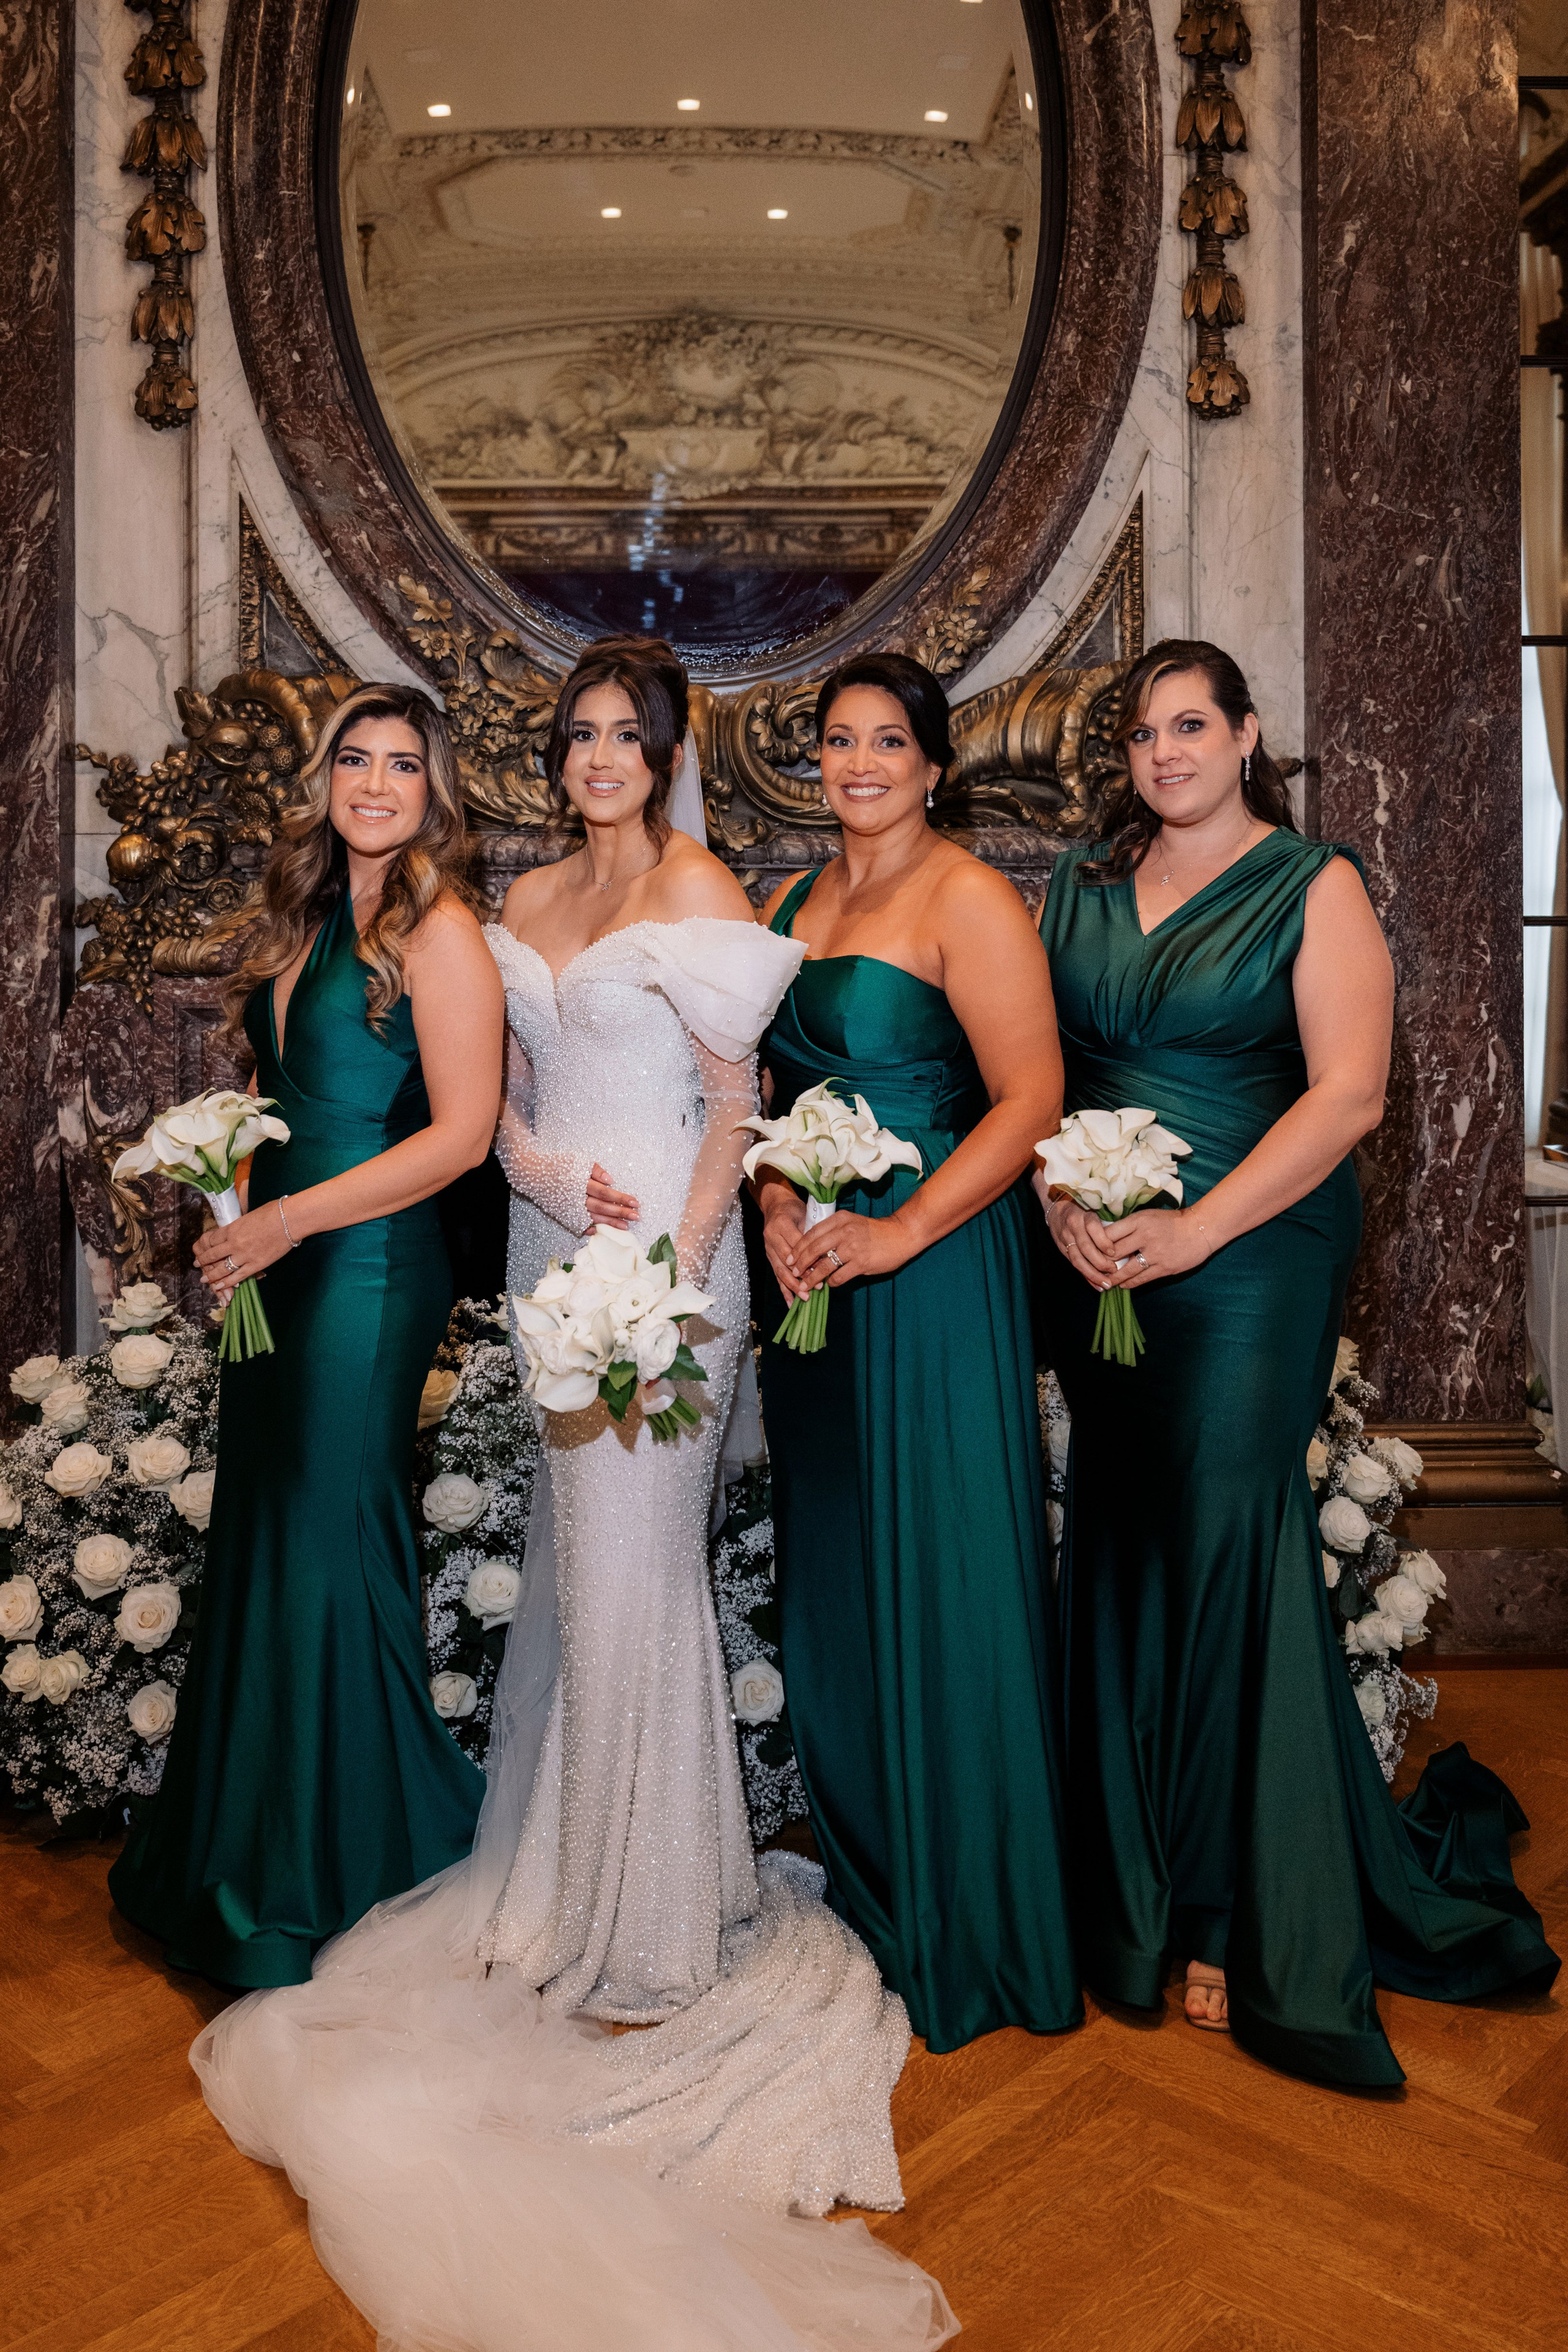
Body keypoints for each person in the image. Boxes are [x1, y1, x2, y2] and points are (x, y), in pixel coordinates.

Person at [187, 638, 956, 2352]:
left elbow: (736, 1105)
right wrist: (550, 1193)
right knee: (570, 1583)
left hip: (662, 1286)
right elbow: (511, 1111)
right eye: (581, 734)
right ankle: (559, 1879)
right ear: (554, 757)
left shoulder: (704, 887)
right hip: (552, 1261)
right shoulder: (517, 895)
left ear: (669, 754)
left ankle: (658, 1926)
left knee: (632, 1583)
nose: (602, 755)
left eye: (630, 734)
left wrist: (672, 1277)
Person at [1037, 636, 1560, 2086]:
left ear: (1246, 734)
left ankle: (1229, 1911)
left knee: (1224, 1550)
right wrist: (1060, 1196)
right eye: (1144, 734)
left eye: (1191, 726)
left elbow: (1350, 1096)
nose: (1166, 755)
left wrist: (1196, 1227)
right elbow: (1040, 1079)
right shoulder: (1079, 886)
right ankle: (1122, 1897)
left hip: (1250, 1259)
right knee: (1129, 1546)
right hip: (1100, 1264)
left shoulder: (1310, 882)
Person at [110, 684, 503, 1987]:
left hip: (373, 1267)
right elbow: (278, 1099)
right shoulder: (300, 916)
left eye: (403, 765)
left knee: (334, 1538)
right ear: (326, 776)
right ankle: (255, 1838)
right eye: (356, 759)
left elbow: (460, 1137)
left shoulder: (437, 933)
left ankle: (357, 1863)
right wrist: (235, 1225)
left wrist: (284, 1229)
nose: (377, 784)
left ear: (433, 790)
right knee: (270, 1531)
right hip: (281, 1261)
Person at [753, 649, 1083, 2055]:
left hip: (935, 1267)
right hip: (810, 1272)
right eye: (839, 740)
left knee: (940, 1561)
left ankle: (973, 1909)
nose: (862, 763)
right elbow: (769, 1086)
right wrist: (778, 1197)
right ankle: (874, 1874)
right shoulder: (792, 895)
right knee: (838, 1567)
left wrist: (899, 1237)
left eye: (889, 741)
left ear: (933, 763)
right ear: (814, 759)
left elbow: (1028, 1101)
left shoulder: (967, 894)